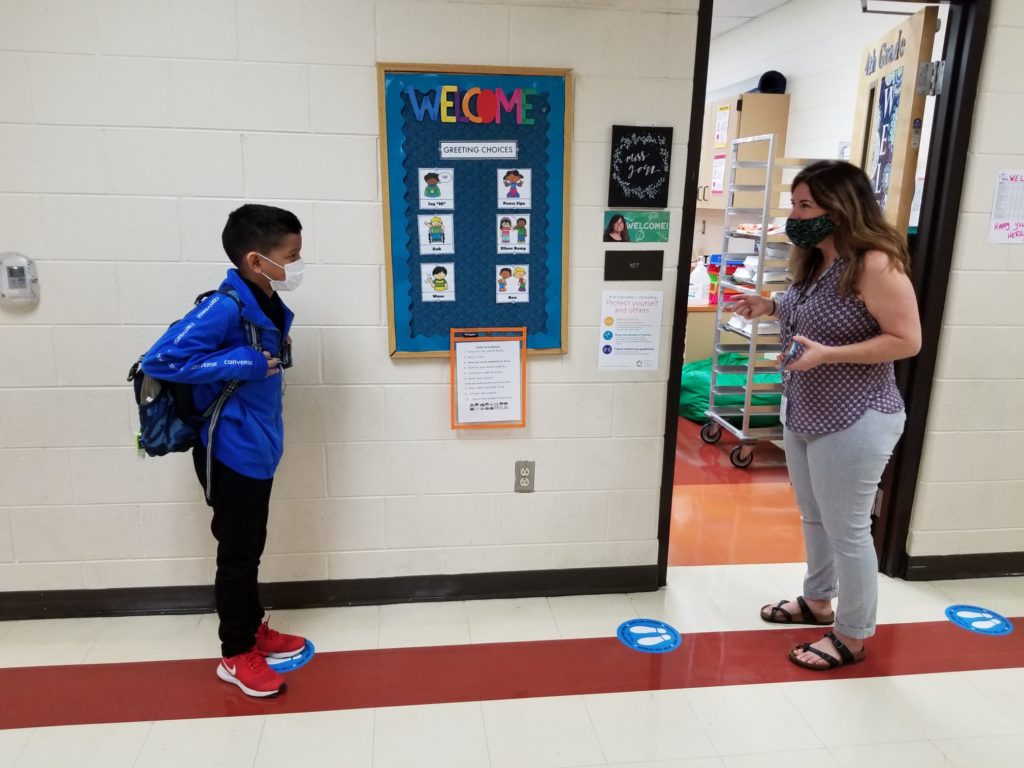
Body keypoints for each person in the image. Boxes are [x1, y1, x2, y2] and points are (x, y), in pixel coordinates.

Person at [729, 160, 921, 671]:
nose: (795, 215)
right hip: (806, 409)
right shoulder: (816, 261)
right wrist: (767, 307)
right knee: (814, 516)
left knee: (849, 530)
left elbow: (907, 340)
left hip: (858, 416)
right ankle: (817, 601)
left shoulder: (874, 263)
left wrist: (828, 355)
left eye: (805, 205)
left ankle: (852, 635)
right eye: (794, 204)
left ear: (841, 207)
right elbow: (803, 310)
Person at [141, 204, 308, 697]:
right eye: (292, 255)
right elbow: (161, 359)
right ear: (256, 260)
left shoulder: (264, 299)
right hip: (228, 450)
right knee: (237, 555)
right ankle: (235, 654)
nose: (299, 264)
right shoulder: (224, 306)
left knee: (249, 548)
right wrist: (246, 361)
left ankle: (253, 628)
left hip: (257, 445)